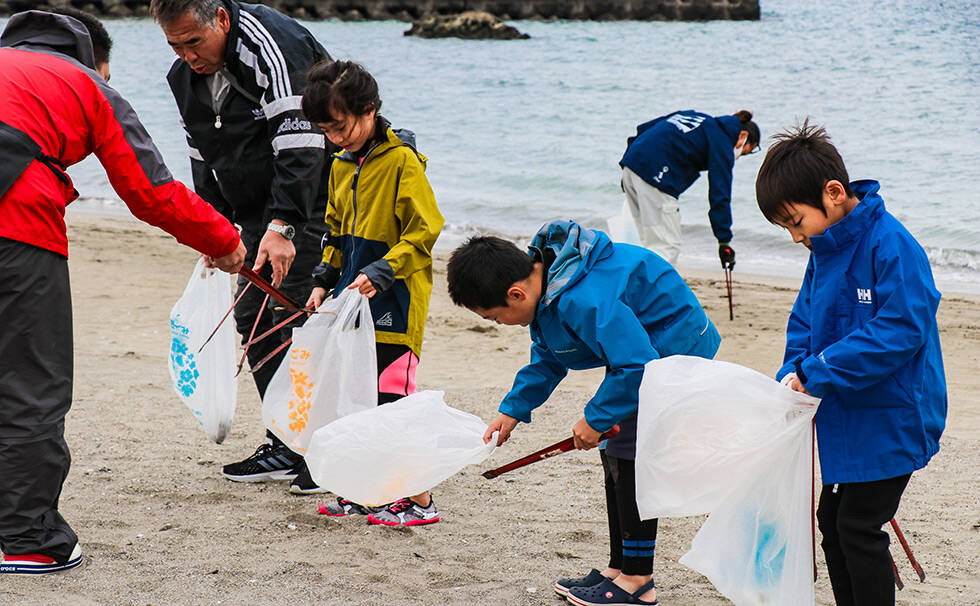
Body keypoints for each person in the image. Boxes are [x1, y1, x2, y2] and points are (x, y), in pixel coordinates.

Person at [0, 8, 245, 575]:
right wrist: (224, 238)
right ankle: (28, 540)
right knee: (30, 382)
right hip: (15, 223)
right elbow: (149, 191)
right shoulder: (85, 83)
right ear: (95, 63)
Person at [446, 220, 721, 606]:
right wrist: (512, 410)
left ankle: (638, 582)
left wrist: (595, 418)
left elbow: (636, 365)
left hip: (674, 349)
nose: (499, 325)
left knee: (627, 453)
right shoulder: (549, 290)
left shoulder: (582, 297)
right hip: (635, 351)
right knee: (613, 451)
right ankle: (619, 567)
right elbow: (549, 357)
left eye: (494, 318)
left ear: (516, 293)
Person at [756, 121, 946, 606]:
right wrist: (792, 372)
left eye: (796, 222)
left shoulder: (892, 244)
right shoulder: (823, 250)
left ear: (834, 193)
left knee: (858, 525)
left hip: (894, 415)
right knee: (831, 522)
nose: (796, 237)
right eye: (786, 229)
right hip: (843, 410)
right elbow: (804, 319)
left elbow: (900, 331)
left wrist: (816, 371)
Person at [149, 0, 332, 493]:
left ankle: (320, 448)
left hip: (315, 202)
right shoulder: (184, 79)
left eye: (194, 42)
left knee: (294, 316)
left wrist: (286, 226)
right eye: (175, 45)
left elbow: (304, 139)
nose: (188, 55)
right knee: (251, 316)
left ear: (222, 21)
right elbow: (201, 155)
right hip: (257, 213)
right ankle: (287, 440)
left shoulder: (272, 45)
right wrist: (212, 228)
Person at [301, 60, 445, 524]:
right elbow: (335, 229)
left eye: (340, 127)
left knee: (392, 399)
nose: (335, 138)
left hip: (397, 301)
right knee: (355, 396)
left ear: (369, 109)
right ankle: (366, 488)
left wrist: (383, 271)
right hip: (351, 301)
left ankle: (420, 500)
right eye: (325, 130)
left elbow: (425, 232)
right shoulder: (341, 165)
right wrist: (324, 280)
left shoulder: (402, 161)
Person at [617, 109, 760, 267]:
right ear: (742, 136)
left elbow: (645, 128)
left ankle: (634, 288)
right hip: (655, 177)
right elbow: (719, 193)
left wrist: (628, 165)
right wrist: (724, 240)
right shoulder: (723, 140)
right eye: (745, 152)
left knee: (647, 241)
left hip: (631, 167)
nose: (739, 156)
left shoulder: (694, 116)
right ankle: (649, 290)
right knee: (666, 247)